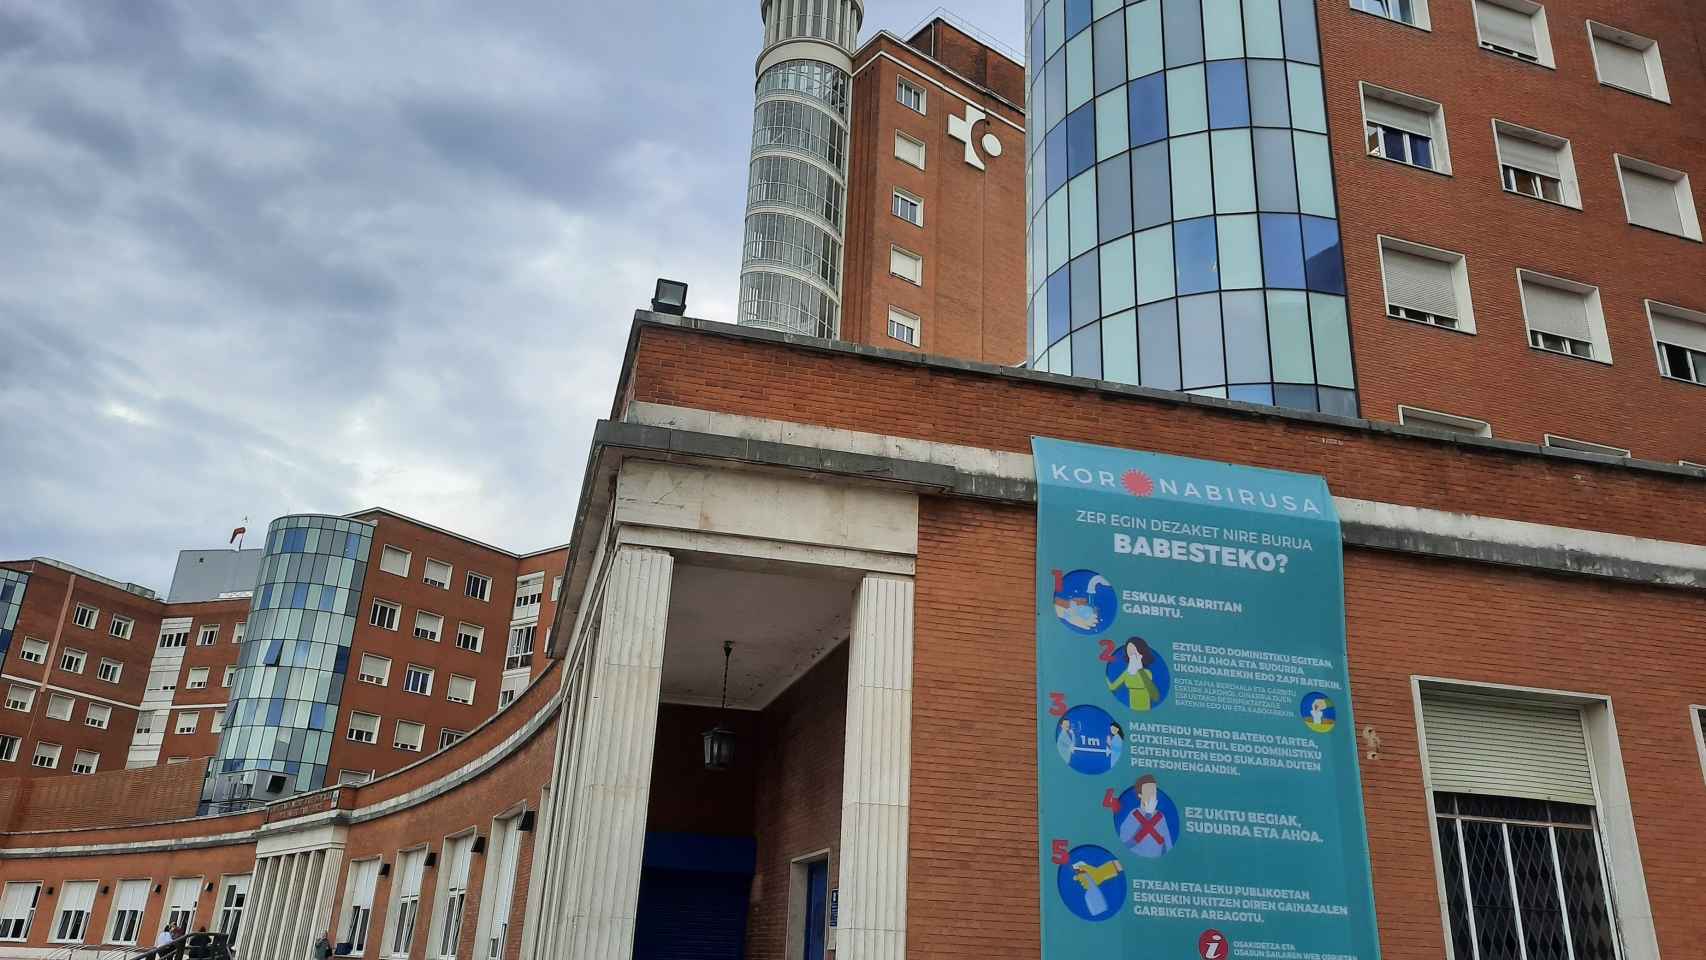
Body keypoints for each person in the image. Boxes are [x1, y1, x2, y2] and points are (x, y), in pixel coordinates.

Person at [1119, 774, 1174, 858]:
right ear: (1140, 795)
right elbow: (1126, 844)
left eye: (1154, 792)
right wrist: (1148, 815)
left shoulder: (1160, 816)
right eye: (1148, 792)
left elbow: (1168, 845)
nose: (1152, 795)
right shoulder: (1133, 815)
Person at [1107, 638, 1163, 711]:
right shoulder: (1127, 673)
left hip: (1146, 710)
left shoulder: (1147, 673)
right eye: (1129, 650)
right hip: (1131, 710)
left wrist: (1140, 670)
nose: (1132, 653)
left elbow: (1155, 696)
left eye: (1134, 650)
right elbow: (1112, 687)